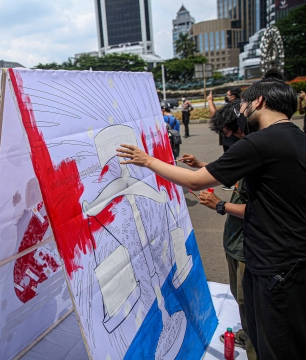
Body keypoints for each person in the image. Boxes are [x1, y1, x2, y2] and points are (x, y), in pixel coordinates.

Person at [117, 74, 306, 359]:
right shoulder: (294, 136)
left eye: (243, 105)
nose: (241, 112)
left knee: (275, 346)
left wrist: (148, 160)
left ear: (259, 101)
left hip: (274, 264)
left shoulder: (260, 142)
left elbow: (196, 182)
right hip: (290, 260)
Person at [180, 101, 256, 360]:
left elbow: (264, 210)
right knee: (240, 295)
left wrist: (221, 205)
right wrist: (201, 163)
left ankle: (253, 341)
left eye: (226, 132)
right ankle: (247, 332)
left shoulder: (259, 149)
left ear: (239, 128)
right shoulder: (251, 149)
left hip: (248, 244)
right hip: (236, 241)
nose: (225, 137)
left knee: (248, 300)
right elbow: (236, 176)